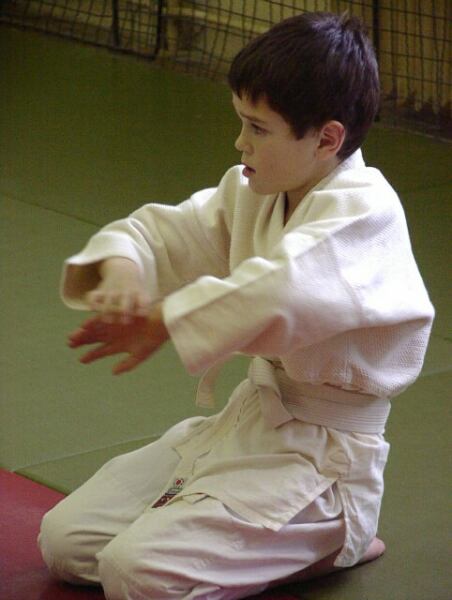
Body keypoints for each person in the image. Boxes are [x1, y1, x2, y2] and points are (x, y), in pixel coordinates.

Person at [38, 11, 434, 600]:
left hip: (324, 459)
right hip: (246, 426)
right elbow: (165, 231)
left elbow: (282, 287)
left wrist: (167, 318)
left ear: (327, 139)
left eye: (257, 128)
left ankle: (338, 531)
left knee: (137, 574)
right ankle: (283, 542)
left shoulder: (364, 212)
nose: (240, 142)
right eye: (240, 121)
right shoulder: (254, 191)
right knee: (66, 541)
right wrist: (125, 266)